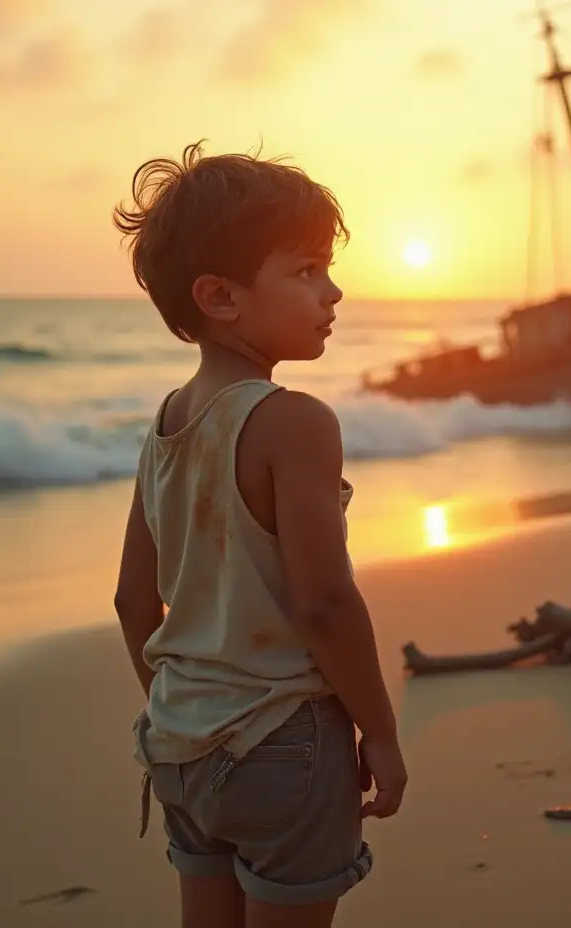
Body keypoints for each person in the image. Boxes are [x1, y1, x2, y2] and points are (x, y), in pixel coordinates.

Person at [111, 140, 406, 928]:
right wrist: (380, 732)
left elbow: (132, 601)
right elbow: (325, 605)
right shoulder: (294, 423)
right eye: (307, 271)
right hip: (286, 743)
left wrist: (188, 713)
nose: (333, 291)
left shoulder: (166, 427)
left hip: (180, 745)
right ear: (220, 297)